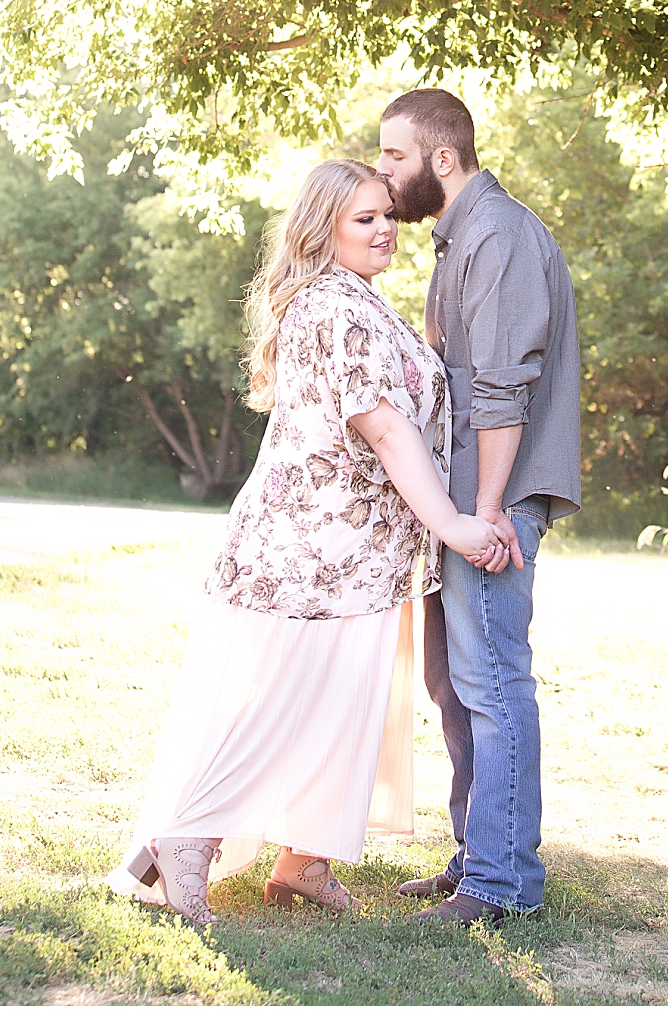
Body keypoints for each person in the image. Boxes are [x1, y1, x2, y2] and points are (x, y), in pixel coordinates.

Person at [110, 158, 512, 926]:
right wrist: (453, 526)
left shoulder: (353, 301)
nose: (385, 229)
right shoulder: (337, 307)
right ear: (322, 227)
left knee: (342, 703)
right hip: (316, 552)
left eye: (388, 215)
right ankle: (185, 838)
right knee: (285, 702)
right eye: (364, 218)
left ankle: (303, 860)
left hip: (352, 553)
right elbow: (388, 431)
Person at [376, 89, 581, 927]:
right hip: (456, 502)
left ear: (442, 159)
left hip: (487, 502)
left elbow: (500, 386)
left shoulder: (495, 235)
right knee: (453, 684)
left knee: (492, 682)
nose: (383, 173)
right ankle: (477, 861)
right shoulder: (460, 236)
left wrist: (488, 508)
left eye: (393, 156)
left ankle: (502, 886)